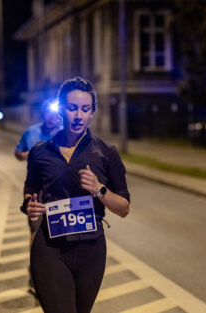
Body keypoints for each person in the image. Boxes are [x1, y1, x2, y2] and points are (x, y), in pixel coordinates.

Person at [21, 77, 130, 313]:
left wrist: (99, 189)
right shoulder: (40, 152)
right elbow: (30, 188)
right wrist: (29, 204)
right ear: (61, 109)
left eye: (85, 109)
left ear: (92, 112)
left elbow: (123, 208)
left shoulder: (106, 153)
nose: (78, 115)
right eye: (72, 108)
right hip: (50, 247)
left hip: (91, 251)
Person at [15, 99, 62, 294]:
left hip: (60, 192)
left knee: (59, 234)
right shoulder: (32, 132)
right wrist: (26, 155)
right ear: (43, 115)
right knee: (36, 234)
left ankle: (57, 275)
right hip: (36, 191)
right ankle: (34, 276)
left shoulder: (64, 134)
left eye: (56, 116)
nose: (53, 119)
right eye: (49, 115)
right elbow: (17, 152)